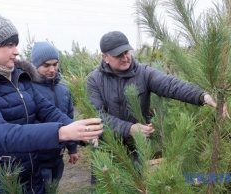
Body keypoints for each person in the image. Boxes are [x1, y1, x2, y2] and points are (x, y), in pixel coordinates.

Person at [0, 12, 103, 194]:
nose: (17, 51)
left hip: (32, 173)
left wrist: (79, 130)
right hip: (1, 180)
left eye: (16, 44)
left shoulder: (21, 78)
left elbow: (47, 110)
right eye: (9, 45)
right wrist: (61, 132)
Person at [87, 31, 218, 167]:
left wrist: (202, 96)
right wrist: (129, 129)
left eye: (126, 52)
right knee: (106, 186)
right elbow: (97, 115)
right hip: (108, 148)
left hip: (139, 147)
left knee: (141, 185)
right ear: (105, 57)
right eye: (118, 55)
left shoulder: (143, 73)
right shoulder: (94, 80)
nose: (125, 58)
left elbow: (171, 84)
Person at [31, 41, 78, 188]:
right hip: (38, 158)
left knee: (53, 188)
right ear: (35, 65)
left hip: (58, 157)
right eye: (46, 65)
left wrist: (72, 148)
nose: (52, 69)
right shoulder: (29, 89)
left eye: (55, 64)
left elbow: (69, 118)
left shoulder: (64, 89)